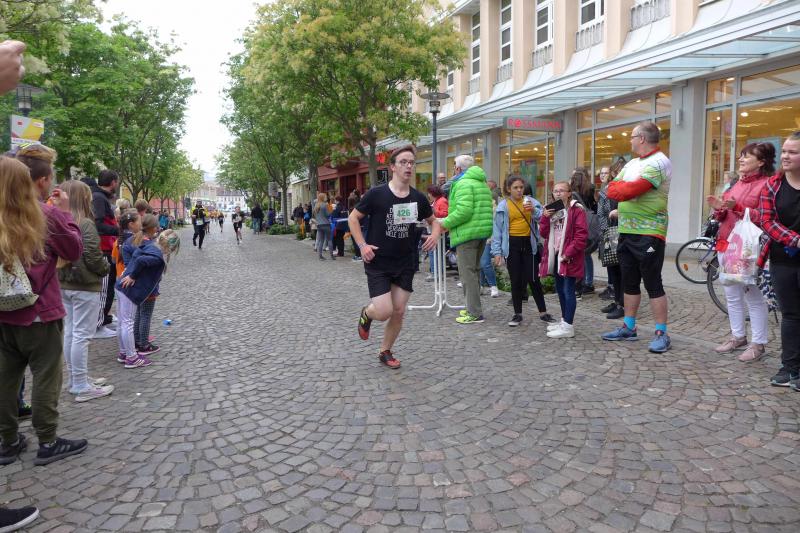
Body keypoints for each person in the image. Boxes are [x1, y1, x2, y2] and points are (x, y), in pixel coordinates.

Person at [0, 150, 89, 467]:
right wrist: (64, 212)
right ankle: (48, 441)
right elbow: (73, 249)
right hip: (40, 312)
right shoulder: (43, 215)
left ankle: (8, 441)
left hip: (3, 315)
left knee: (5, 381)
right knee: (46, 378)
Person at [349, 145, 441, 369]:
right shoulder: (377, 194)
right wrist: (362, 245)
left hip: (405, 262)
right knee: (383, 311)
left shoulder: (418, 198)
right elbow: (353, 218)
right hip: (378, 261)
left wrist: (435, 235)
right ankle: (367, 313)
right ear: (392, 167)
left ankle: (385, 351)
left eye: (411, 162)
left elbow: (434, 221)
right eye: (403, 162)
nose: (408, 166)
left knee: (398, 311)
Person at [601, 121, 672, 353]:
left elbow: (630, 190)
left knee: (653, 283)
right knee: (629, 282)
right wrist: (620, 189)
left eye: (632, 136)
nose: (630, 140)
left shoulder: (659, 162)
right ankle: (629, 327)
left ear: (642, 138)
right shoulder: (633, 163)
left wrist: (622, 189)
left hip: (650, 232)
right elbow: (611, 189)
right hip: (627, 230)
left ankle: (661, 332)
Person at [708, 142, 774, 362]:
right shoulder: (736, 183)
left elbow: (764, 216)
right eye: (741, 156)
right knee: (732, 295)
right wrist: (719, 209)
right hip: (727, 243)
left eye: (747, 156)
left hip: (748, 248)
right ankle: (738, 336)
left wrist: (736, 208)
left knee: (753, 296)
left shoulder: (766, 184)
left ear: (761, 162)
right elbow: (725, 214)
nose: (741, 159)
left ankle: (758, 343)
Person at [56, 180, 114, 402]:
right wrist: (104, 268)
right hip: (84, 285)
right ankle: (80, 385)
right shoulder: (84, 223)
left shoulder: (58, 221)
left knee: (71, 332)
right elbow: (92, 256)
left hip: (65, 284)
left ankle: (76, 379)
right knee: (81, 335)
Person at [758, 131, 800, 388]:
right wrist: (795, 240)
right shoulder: (773, 185)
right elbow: (766, 220)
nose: (785, 156)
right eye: (784, 151)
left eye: (792, 152)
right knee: (791, 314)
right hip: (782, 259)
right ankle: (790, 367)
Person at [491, 176, 554, 327]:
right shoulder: (503, 206)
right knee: (516, 281)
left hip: (529, 244)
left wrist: (533, 210)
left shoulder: (531, 201)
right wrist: (497, 252)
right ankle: (517, 314)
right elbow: (497, 231)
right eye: (515, 188)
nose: (519, 190)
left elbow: (542, 218)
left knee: (534, 279)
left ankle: (543, 312)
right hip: (512, 245)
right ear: (508, 189)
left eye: (521, 187)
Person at [439, 155, 494, 324]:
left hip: (467, 233)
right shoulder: (481, 183)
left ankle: (474, 313)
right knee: (474, 272)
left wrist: (444, 223)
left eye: (454, 167)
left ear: (457, 169)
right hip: (481, 232)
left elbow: (464, 211)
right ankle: (473, 308)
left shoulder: (463, 183)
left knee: (467, 274)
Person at [540, 182, 589, 338]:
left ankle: (568, 327)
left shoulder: (576, 210)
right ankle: (564, 321)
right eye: (555, 191)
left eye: (562, 190)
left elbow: (581, 236)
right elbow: (544, 233)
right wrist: (545, 217)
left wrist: (568, 253)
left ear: (569, 193)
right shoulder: (552, 210)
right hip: (556, 254)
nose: (558, 193)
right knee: (560, 289)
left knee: (568, 290)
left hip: (569, 256)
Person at [83, 170, 120, 338]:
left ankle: (103, 319)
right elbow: (98, 225)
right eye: (117, 182)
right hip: (103, 250)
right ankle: (98, 325)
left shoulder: (100, 197)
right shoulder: (98, 198)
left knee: (108, 289)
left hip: (106, 248)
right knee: (104, 290)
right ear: (113, 182)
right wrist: (118, 230)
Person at [597, 160, 626, 319]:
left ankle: (622, 304)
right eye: (617, 171)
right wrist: (605, 232)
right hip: (610, 233)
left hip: (624, 233)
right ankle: (617, 301)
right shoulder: (607, 189)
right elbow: (601, 213)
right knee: (613, 268)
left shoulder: (628, 189)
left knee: (622, 270)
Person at [569, 167, 597, 298]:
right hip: (589, 223)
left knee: (581, 255)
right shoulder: (590, 189)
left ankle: (582, 284)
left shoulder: (573, 193)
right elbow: (594, 206)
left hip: (578, 224)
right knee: (586, 255)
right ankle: (588, 282)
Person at [425, 185, 449, 281]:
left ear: (432, 193)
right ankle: (436, 272)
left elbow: (445, 214)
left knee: (434, 251)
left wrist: (433, 211)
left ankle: (436, 273)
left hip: (440, 229)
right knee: (434, 251)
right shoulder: (436, 201)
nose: (428, 195)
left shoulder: (442, 201)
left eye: (429, 193)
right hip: (436, 229)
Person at [314, 192, 335, 260]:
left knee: (321, 241)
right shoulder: (325, 205)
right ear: (323, 198)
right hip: (326, 224)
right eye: (325, 196)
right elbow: (328, 215)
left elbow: (315, 216)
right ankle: (332, 255)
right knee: (329, 240)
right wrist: (331, 210)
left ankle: (320, 256)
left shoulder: (316, 205)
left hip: (319, 225)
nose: (326, 197)